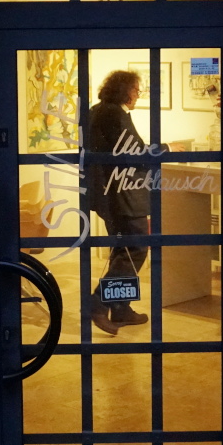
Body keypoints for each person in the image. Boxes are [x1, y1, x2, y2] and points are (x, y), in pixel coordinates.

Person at [87, 69, 182, 336]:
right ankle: (98, 304)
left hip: (111, 194)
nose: (138, 95)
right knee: (135, 249)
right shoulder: (114, 114)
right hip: (123, 194)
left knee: (123, 251)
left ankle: (121, 308)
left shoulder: (98, 110)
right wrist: (167, 148)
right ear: (124, 90)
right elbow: (132, 153)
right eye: (136, 90)